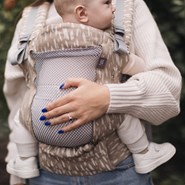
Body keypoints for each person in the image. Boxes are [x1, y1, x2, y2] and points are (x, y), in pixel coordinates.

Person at [3, 0, 181, 185]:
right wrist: (18, 173)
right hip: (44, 176)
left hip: (120, 174)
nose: (110, 6)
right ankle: (144, 152)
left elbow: (169, 89)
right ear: (81, 13)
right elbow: (19, 105)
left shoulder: (127, 6)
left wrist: (108, 97)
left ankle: (143, 154)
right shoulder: (30, 18)